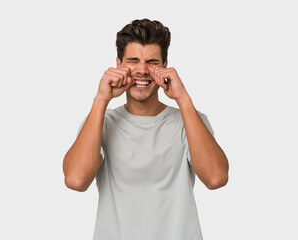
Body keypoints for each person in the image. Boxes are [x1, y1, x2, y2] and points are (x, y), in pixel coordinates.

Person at [63, 19, 229, 240]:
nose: (142, 70)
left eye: (152, 62)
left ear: (165, 66)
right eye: (133, 60)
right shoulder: (100, 122)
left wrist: (183, 99)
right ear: (118, 64)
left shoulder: (189, 120)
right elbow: (76, 180)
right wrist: (101, 99)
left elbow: (216, 178)